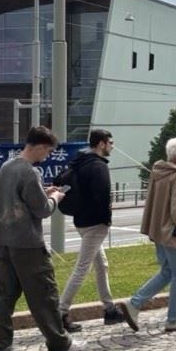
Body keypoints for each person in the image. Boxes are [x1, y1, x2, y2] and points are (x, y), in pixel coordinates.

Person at [0, 125, 81, 351]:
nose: (47, 156)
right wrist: (54, 197)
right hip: (27, 243)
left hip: (4, 241)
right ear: (39, 147)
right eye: (47, 151)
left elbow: (18, 200)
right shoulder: (29, 172)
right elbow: (42, 210)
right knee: (44, 295)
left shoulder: (7, 167)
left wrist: (43, 193)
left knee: (6, 296)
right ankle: (60, 343)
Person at [57, 129, 134, 333]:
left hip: (81, 221)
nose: (112, 146)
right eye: (110, 142)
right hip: (95, 224)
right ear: (101, 144)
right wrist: (106, 220)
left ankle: (109, 309)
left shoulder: (80, 161)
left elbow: (59, 180)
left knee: (102, 265)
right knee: (82, 268)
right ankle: (61, 312)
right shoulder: (99, 166)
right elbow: (103, 196)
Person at [123, 137, 176, 332]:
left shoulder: (159, 172)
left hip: (159, 231)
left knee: (167, 271)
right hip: (174, 234)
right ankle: (174, 319)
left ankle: (134, 304)